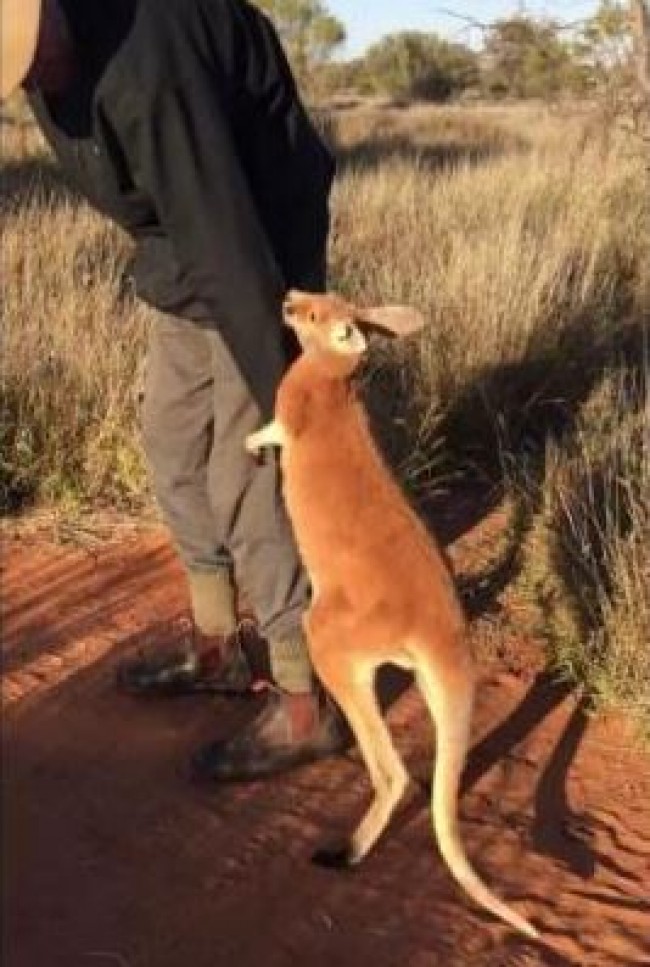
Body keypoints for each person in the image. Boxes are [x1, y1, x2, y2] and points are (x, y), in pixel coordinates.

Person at [1, 0, 349, 779]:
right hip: (181, 253)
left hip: (258, 244)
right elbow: (154, 202)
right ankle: (219, 642)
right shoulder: (51, 65)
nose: (33, 77)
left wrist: (288, 397)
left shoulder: (150, 69)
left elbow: (226, 239)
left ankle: (305, 700)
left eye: (31, 54)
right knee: (171, 441)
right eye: (18, 71)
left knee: (244, 474)